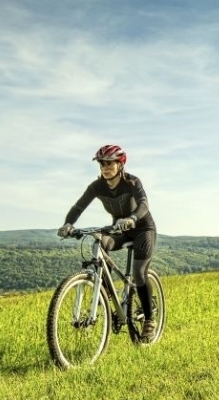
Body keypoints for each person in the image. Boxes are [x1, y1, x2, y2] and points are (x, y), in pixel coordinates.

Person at [57, 144, 157, 341]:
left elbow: (144, 204)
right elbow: (78, 207)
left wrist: (132, 219)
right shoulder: (97, 186)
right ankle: (106, 294)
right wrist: (68, 224)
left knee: (138, 273)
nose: (105, 166)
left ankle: (150, 320)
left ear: (120, 164)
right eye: (102, 163)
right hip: (118, 229)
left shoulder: (132, 182)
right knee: (100, 243)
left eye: (109, 163)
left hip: (142, 229)